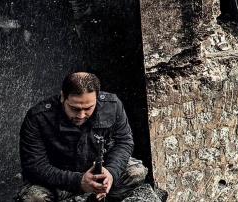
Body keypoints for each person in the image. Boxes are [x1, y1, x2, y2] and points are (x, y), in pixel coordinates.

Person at [17, 72, 148, 202]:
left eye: (88, 108)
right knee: (33, 198)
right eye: (74, 108)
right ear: (62, 97)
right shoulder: (38, 117)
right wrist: (79, 181)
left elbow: (124, 141)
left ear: (97, 98)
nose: (81, 115)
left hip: (99, 174)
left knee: (136, 172)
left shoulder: (112, 106)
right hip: (58, 180)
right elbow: (34, 165)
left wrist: (111, 172)